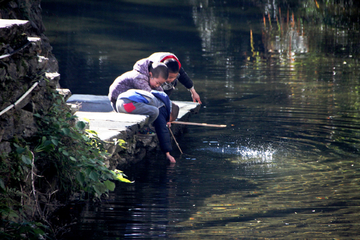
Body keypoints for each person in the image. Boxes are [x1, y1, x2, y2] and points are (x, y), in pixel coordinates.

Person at [116, 89, 180, 163]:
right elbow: (162, 130)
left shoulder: (160, 100)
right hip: (128, 105)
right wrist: (167, 153)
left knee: (152, 111)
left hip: (119, 104)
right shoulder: (161, 107)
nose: (167, 121)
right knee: (155, 111)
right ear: (170, 112)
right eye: (169, 119)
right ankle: (143, 129)